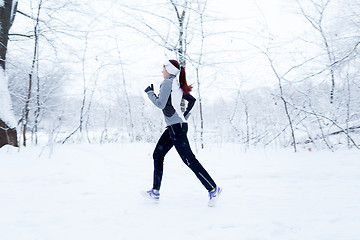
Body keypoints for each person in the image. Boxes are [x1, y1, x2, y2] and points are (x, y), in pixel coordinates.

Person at [143, 59, 222, 206]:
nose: (162, 71)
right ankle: (155, 192)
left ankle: (213, 188)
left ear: (169, 69)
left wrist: (149, 93)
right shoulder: (176, 84)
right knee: (158, 154)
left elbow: (160, 104)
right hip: (175, 126)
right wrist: (183, 118)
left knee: (189, 160)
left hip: (176, 128)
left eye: (163, 68)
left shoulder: (168, 83)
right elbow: (192, 100)